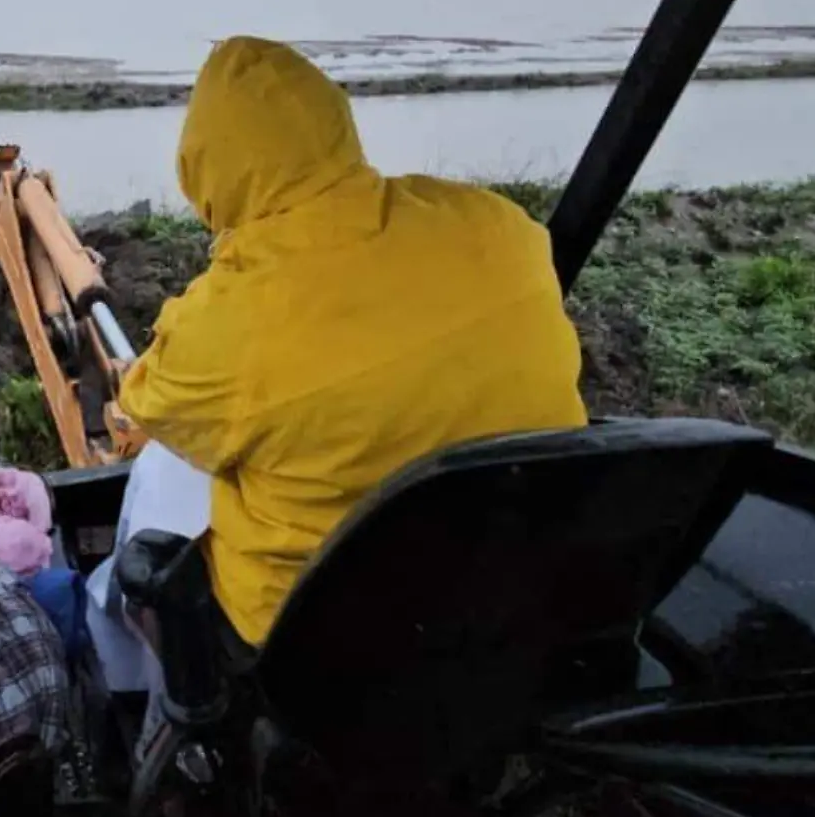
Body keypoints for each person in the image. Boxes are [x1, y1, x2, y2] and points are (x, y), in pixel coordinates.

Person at [85, 36, 587, 688]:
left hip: (313, 650)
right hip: (511, 598)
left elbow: (149, 402)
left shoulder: (237, 314)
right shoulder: (502, 226)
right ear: (333, 125)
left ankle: (161, 727)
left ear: (207, 166)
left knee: (165, 474)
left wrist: (229, 266)